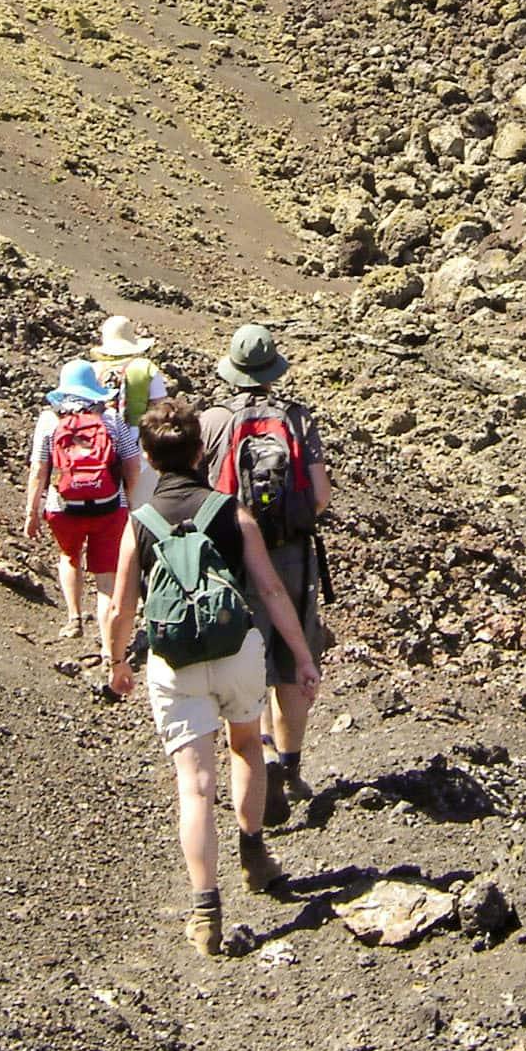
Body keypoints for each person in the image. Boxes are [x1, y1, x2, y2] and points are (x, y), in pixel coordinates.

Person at [104, 395, 321, 958]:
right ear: (202, 451)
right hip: (236, 652)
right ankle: (254, 852)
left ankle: (205, 910)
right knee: (247, 744)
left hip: (173, 663)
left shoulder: (140, 522)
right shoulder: (231, 511)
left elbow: (120, 607)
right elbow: (271, 590)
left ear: (149, 459)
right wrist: (301, 655)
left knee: (194, 785)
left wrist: (116, 660)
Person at [200, 324, 331, 828]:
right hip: (291, 557)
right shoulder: (297, 419)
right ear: (273, 369)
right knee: (293, 661)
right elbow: (319, 496)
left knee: (240, 661)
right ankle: (290, 766)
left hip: (232, 557)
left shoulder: (212, 421)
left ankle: (251, 761)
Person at [22, 359, 134, 642]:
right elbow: (132, 463)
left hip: (63, 507)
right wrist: (131, 502)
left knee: (69, 557)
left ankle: (74, 618)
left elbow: (39, 469)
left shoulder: (49, 420)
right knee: (106, 574)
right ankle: (109, 645)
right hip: (110, 505)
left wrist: (31, 512)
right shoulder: (110, 418)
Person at [90, 314, 171, 510]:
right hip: (139, 442)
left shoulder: (93, 370)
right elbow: (160, 410)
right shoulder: (146, 368)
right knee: (141, 504)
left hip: (101, 442)